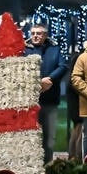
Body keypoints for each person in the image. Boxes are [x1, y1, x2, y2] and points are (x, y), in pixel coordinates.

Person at [24, 23, 69, 160]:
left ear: (45, 35)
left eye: (39, 33)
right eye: (33, 33)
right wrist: (37, 83)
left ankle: (48, 165)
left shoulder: (54, 49)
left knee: (50, 138)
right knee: (32, 138)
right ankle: (33, 166)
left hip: (50, 100)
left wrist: (50, 78)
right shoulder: (25, 50)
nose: (35, 36)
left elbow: (63, 66)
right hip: (31, 102)